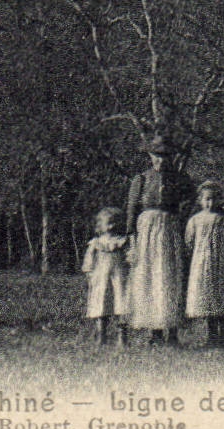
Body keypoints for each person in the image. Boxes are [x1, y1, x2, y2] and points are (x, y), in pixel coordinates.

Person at [125, 136, 190, 345]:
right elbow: (132, 209)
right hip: (147, 230)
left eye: (165, 156)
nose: (160, 160)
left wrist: (182, 224)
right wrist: (132, 239)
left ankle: (172, 331)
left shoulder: (179, 180)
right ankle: (154, 331)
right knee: (149, 276)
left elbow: (189, 202)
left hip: (169, 229)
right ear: (150, 156)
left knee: (168, 276)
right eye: (156, 156)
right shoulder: (141, 179)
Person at [184, 181, 224, 347]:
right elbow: (189, 242)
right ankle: (212, 336)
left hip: (220, 263)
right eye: (207, 199)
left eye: (214, 199)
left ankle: (223, 337)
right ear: (200, 200)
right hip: (201, 263)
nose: (210, 203)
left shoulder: (223, 219)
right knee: (208, 298)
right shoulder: (195, 220)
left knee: (221, 297)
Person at [81, 207, 129, 346]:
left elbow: (130, 257)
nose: (111, 226)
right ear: (100, 225)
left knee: (121, 304)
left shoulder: (122, 241)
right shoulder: (96, 243)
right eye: (108, 222)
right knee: (101, 304)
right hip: (101, 279)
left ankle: (122, 336)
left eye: (114, 222)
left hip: (119, 278)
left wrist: (131, 266)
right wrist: (89, 272)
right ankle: (101, 335)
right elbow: (89, 259)